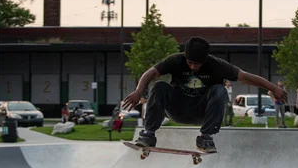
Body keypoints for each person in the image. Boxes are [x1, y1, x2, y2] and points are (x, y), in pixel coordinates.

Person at [121, 37, 286, 152]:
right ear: (185, 57)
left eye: (197, 64)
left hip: (202, 111)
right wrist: (138, 90)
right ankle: (149, 134)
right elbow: (150, 72)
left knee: (220, 90)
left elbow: (246, 77)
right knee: (159, 86)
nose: (193, 67)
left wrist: (273, 87)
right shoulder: (175, 60)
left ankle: (205, 137)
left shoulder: (217, 65)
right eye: (190, 63)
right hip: (177, 109)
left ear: (205, 59)